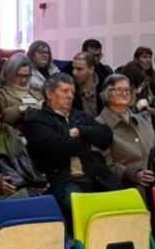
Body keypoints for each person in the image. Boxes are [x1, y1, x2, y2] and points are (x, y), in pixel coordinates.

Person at [24, 73, 119, 221]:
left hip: (97, 175)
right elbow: (57, 145)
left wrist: (80, 131)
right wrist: (89, 146)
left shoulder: (81, 116)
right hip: (66, 180)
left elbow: (106, 136)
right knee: (83, 211)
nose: (70, 96)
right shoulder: (37, 120)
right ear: (49, 93)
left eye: (73, 92)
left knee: (126, 205)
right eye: (65, 91)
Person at [96, 74, 155, 191]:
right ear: (107, 94)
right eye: (119, 90)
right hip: (122, 188)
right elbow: (104, 164)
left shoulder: (143, 120)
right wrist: (132, 175)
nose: (124, 93)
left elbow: (154, 148)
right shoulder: (99, 124)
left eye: (127, 90)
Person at [0, 54, 43, 125]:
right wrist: (20, 109)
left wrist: (45, 106)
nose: (24, 80)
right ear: (9, 74)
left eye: (27, 76)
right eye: (19, 76)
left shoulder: (37, 94)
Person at [64, 52, 106, 117]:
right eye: (73, 68)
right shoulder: (68, 88)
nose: (74, 73)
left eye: (79, 69)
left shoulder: (105, 87)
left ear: (91, 70)